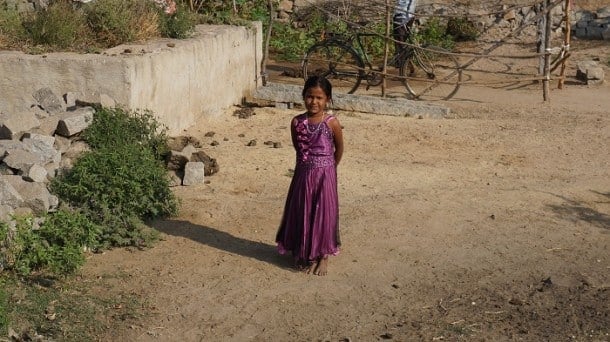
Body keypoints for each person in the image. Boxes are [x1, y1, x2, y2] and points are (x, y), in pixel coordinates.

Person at [276, 75, 344, 276]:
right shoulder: (297, 122)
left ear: (327, 99)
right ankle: (303, 252)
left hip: (326, 175)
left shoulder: (332, 123)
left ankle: (323, 256)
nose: (314, 102)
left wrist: (330, 167)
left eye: (319, 98)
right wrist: (309, 166)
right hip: (303, 175)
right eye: (309, 97)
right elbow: (298, 148)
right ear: (303, 97)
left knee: (324, 213)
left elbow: (339, 148)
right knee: (302, 211)